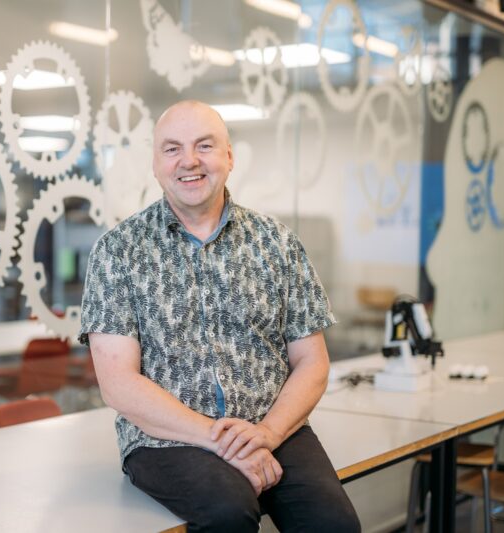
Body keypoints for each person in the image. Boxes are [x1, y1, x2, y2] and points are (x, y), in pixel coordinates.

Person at [79, 100, 360, 532]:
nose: (189, 161)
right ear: (155, 165)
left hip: (274, 427)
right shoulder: (118, 251)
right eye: (172, 149)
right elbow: (118, 384)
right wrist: (221, 440)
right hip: (165, 439)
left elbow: (312, 361)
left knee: (334, 524)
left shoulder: (278, 244)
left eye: (204, 146)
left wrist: (266, 434)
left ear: (229, 157)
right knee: (228, 512)